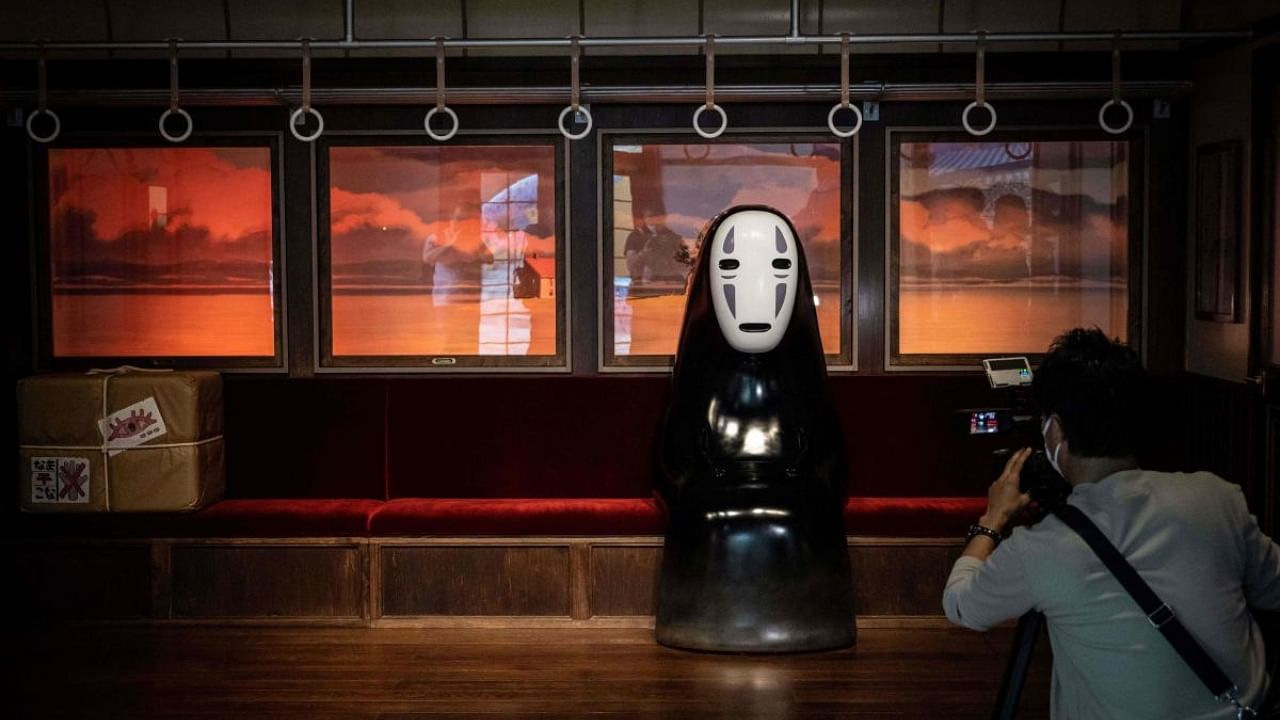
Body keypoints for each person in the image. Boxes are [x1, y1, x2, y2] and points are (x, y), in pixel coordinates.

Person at [942, 328, 1280, 719]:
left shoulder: (1043, 547)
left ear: (1054, 430)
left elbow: (961, 605)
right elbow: (1272, 587)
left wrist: (992, 520)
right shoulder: (1218, 499)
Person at [421, 202, 494, 306]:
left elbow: (490, 260)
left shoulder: (478, 238)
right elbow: (427, 258)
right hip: (445, 298)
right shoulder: (438, 237)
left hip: (472, 297)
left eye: (468, 220)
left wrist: (478, 244)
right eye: (459, 219)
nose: (462, 223)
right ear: (452, 218)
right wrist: (451, 244)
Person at [623, 206, 689, 294]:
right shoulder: (636, 236)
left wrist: (672, 254)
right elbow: (631, 266)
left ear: (664, 218)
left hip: (672, 288)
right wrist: (644, 252)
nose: (654, 221)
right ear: (644, 218)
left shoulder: (674, 238)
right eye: (650, 217)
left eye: (658, 217)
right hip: (643, 290)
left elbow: (685, 267)